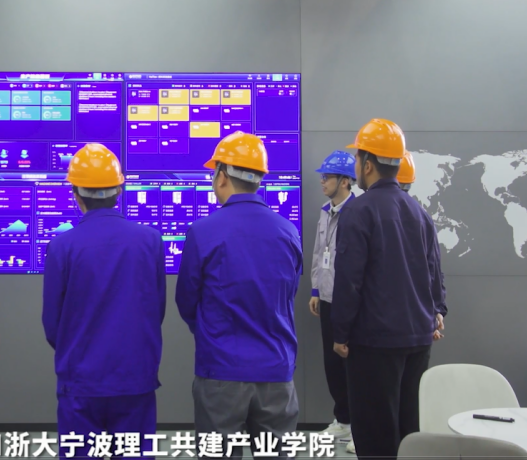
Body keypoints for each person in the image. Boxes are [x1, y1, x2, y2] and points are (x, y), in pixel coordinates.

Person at [176, 132, 303, 454]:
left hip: (220, 371)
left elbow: (186, 301)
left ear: (222, 176)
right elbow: (288, 294)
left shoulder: (203, 231)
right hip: (276, 370)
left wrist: (211, 332)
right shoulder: (288, 231)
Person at [329, 119, 447, 459]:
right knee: (409, 432)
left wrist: (340, 333)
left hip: (374, 344)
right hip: (418, 341)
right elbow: (434, 271)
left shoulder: (359, 211)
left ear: (368, 165)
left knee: (375, 436)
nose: (355, 165)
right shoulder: (419, 212)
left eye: (357, 158)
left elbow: (349, 279)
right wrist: (437, 311)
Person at [42, 144, 166, 457]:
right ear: (119, 190)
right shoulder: (150, 240)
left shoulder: (62, 247)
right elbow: (157, 310)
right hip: (135, 378)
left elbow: (52, 325)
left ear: (76, 193)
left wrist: (78, 350)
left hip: (80, 381)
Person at [308, 150, 358, 444]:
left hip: (349, 302)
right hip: (327, 299)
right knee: (332, 364)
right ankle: (344, 420)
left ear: (345, 181)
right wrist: (316, 289)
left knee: (353, 365)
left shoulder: (359, 212)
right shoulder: (325, 211)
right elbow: (319, 252)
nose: (322, 181)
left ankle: (360, 428)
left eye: (327, 176)